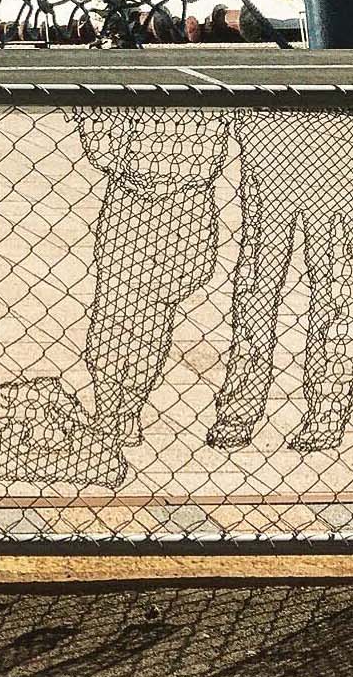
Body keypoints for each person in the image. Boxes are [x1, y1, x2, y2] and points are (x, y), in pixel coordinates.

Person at [77, 107, 229, 445]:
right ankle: (113, 410)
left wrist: (138, 167)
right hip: (147, 203)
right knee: (123, 312)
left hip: (180, 205)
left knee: (143, 313)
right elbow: (100, 145)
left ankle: (123, 410)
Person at [209, 114, 353, 451]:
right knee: (258, 280)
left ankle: (326, 408)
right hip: (271, 146)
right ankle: (240, 406)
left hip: (336, 150)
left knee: (332, 285)